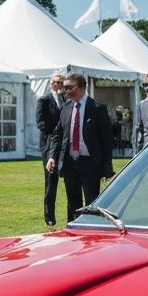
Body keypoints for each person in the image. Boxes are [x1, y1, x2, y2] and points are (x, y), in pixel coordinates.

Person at [47, 72, 114, 222]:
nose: (66, 91)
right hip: (70, 163)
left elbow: (107, 140)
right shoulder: (65, 108)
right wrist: (52, 156)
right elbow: (57, 134)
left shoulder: (97, 109)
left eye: (70, 87)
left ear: (82, 87)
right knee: (73, 203)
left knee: (92, 202)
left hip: (90, 163)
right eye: (65, 88)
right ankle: (74, 231)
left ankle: (92, 230)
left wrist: (107, 167)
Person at [35, 71, 64, 227]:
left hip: (64, 146)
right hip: (48, 146)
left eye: (60, 82)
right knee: (51, 183)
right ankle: (49, 216)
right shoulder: (44, 100)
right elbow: (40, 123)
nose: (57, 85)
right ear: (50, 83)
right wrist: (55, 132)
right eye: (54, 82)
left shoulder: (66, 100)